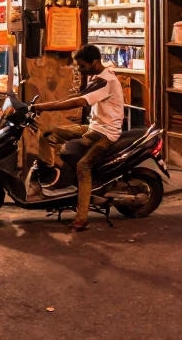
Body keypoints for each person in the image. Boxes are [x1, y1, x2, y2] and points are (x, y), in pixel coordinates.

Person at [29, 44, 125, 232]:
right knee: (49, 135)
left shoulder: (107, 81)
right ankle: (50, 176)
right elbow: (79, 96)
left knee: (83, 165)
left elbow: (79, 101)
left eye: (82, 66)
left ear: (95, 62)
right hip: (93, 127)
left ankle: (82, 218)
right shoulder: (97, 78)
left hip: (107, 132)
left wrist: (43, 107)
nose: (80, 70)